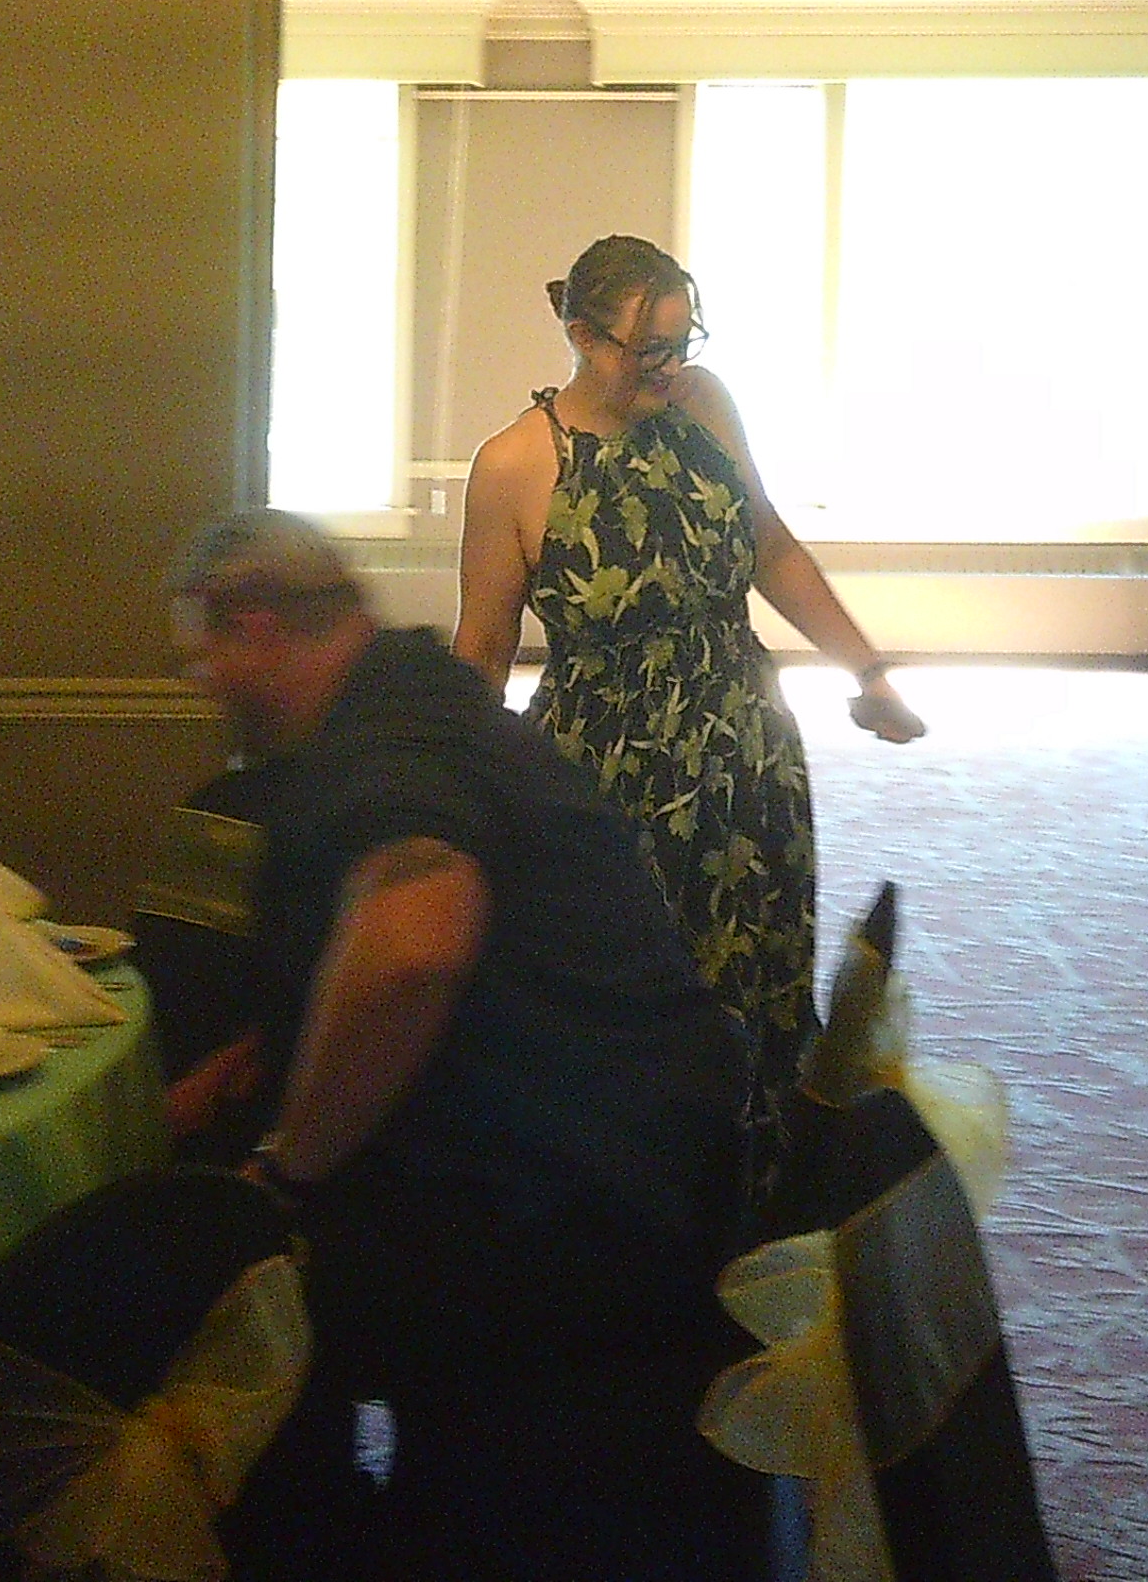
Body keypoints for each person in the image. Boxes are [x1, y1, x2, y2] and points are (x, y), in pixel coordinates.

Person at [162, 510, 766, 1581]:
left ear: (252, 625)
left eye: (202, 654)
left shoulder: (383, 745)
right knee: (219, 1236)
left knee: (200, 1294)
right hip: (640, 1156)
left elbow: (415, 949)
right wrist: (266, 1048)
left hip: (570, 1225)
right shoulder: (412, 697)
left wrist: (288, 1165)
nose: (201, 681)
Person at [455, 232, 922, 1134]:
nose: (671, 369)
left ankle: (755, 1178)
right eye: (651, 350)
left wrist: (866, 669)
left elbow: (772, 550)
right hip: (610, 770)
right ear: (585, 337)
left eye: (684, 341)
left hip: (745, 749)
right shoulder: (517, 464)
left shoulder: (705, 407)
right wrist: (459, 788)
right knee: (633, 986)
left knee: (759, 973)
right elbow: (483, 642)